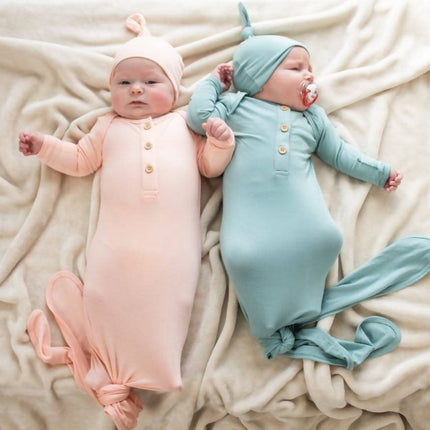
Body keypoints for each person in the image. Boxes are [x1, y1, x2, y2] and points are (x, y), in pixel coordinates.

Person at [20, 13, 234, 430]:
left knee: (168, 304)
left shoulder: (185, 125)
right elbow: (79, 161)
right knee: (106, 297)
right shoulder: (107, 127)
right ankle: (108, 368)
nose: (136, 89)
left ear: (174, 90)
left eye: (150, 82)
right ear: (111, 92)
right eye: (124, 82)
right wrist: (45, 146)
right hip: (116, 244)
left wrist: (220, 143)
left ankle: (156, 367)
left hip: (172, 248)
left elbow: (209, 167)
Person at [187, 2, 430, 370]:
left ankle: (299, 312)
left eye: (310, 69)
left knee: (325, 238)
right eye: (296, 68)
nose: (309, 76)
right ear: (259, 76)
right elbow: (198, 117)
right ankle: (272, 323)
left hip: (307, 222)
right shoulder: (236, 106)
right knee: (244, 257)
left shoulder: (313, 118)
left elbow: (340, 154)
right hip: (251, 226)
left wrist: (379, 172)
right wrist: (212, 83)